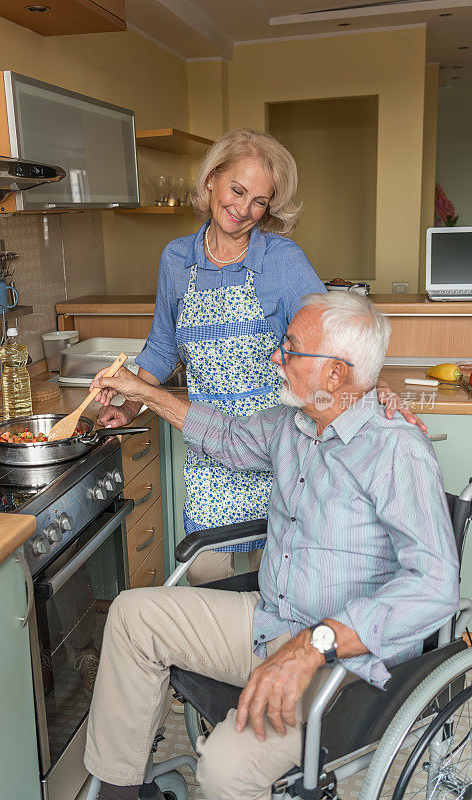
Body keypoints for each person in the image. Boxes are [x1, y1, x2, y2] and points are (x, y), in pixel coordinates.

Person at [85, 292, 459, 800]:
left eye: (290, 348)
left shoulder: (397, 450)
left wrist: (316, 643)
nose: (275, 358)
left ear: (334, 374)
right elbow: (225, 434)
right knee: (133, 616)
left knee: (222, 769)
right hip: (272, 621)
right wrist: (139, 391)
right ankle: (118, 793)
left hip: (343, 668)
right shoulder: (296, 424)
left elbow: (436, 585)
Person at [95, 128, 424, 587]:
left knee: (283, 582)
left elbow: (333, 339)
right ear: (211, 179)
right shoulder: (176, 260)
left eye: (260, 201)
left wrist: (377, 392)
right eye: (237, 190)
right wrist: (129, 403)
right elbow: (164, 345)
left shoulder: (283, 260)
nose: (244, 210)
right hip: (207, 442)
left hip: (280, 442)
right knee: (208, 578)